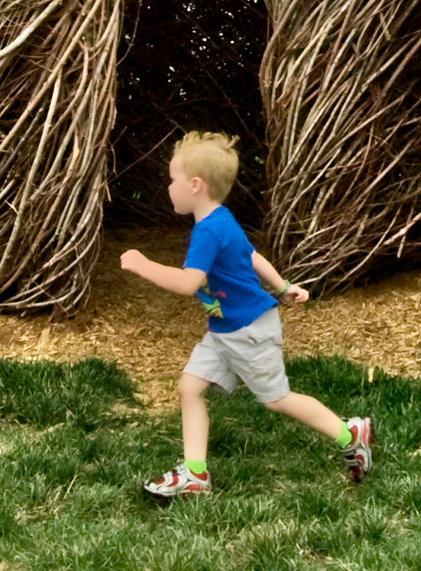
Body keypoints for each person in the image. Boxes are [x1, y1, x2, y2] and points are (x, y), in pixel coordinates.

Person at [118, 130, 374, 499]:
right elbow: (250, 256)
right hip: (224, 330)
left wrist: (143, 264)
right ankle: (195, 475)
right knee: (189, 388)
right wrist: (283, 287)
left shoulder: (209, 231)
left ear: (194, 185)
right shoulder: (222, 219)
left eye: (172, 180)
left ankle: (350, 434)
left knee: (277, 400)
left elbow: (190, 283)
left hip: (249, 331)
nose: (168, 187)